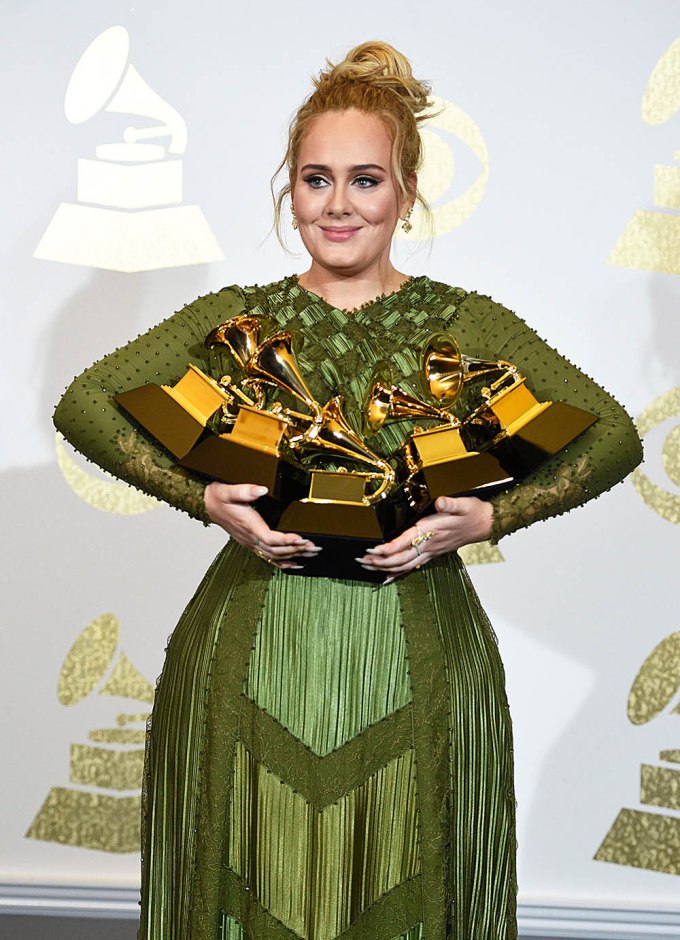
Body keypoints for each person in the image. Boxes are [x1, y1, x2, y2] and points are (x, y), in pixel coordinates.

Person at [54, 41, 642, 940]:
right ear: (289, 192)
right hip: (248, 653)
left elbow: (611, 431)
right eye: (315, 178)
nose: (338, 205)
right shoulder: (234, 322)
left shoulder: (460, 321)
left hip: (419, 658)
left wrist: (491, 514)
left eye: (365, 179)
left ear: (406, 193)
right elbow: (83, 402)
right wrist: (200, 498)